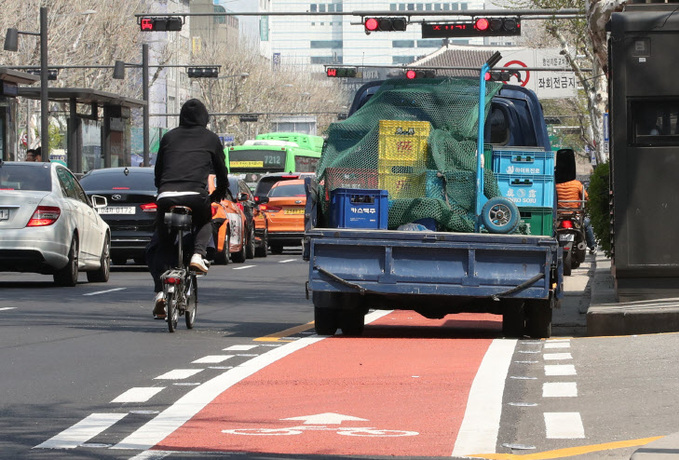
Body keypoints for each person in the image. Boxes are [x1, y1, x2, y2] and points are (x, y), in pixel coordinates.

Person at [148, 99, 228, 319]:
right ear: (205, 118)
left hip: (166, 195)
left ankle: (160, 293)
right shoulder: (210, 138)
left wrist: (163, 190)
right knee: (205, 221)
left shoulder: (168, 137)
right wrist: (220, 190)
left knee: (162, 241)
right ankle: (197, 255)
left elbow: (158, 171)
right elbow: (221, 170)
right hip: (195, 195)